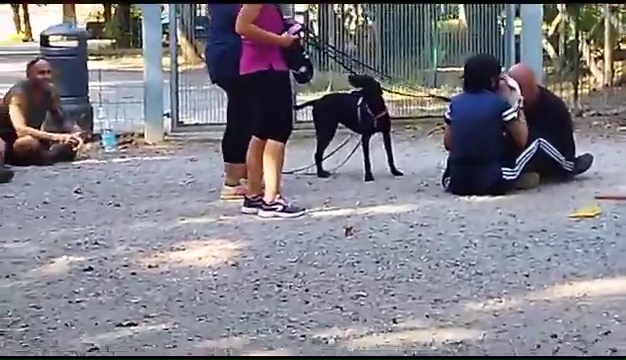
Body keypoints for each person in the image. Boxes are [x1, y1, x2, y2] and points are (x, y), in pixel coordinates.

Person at [441, 54, 573, 196]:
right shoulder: (500, 105)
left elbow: (448, 143)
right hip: (490, 181)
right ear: (493, 80)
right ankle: (568, 165)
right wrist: (516, 103)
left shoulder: (455, 104)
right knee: (537, 143)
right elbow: (522, 140)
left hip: (454, 180)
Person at [235, 4, 306, 218]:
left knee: (262, 132)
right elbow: (242, 26)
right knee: (278, 130)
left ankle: (254, 195)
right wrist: (281, 40)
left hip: (262, 66)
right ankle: (272, 198)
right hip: (266, 68)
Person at [508, 63, 593, 182]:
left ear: (533, 87)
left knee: (537, 143)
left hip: (554, 152)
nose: (517, 93)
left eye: (520, 89)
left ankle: (570, 167)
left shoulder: (552, 107)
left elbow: (530, 141)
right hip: (530, 152)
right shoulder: (509, 101)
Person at [0, 57, 84, 167]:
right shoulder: (19, 94)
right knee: (28, 144)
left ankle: (45, 156)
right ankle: (45, 157)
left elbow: (61, 118)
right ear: (29, 75)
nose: (46, 77)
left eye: (48, 72)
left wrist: (75, 132)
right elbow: (21, 130)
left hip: (35, 138)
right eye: (41, 73)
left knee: (70, 144)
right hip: (9, 141)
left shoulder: (49, 91)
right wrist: (58, 137)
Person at [206, 4, 251, 201]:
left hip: (228, 57)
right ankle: (233, 181)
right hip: (233, 59)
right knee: (241, 117)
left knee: (245, 115)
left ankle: (246, 174)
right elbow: (248, 21)